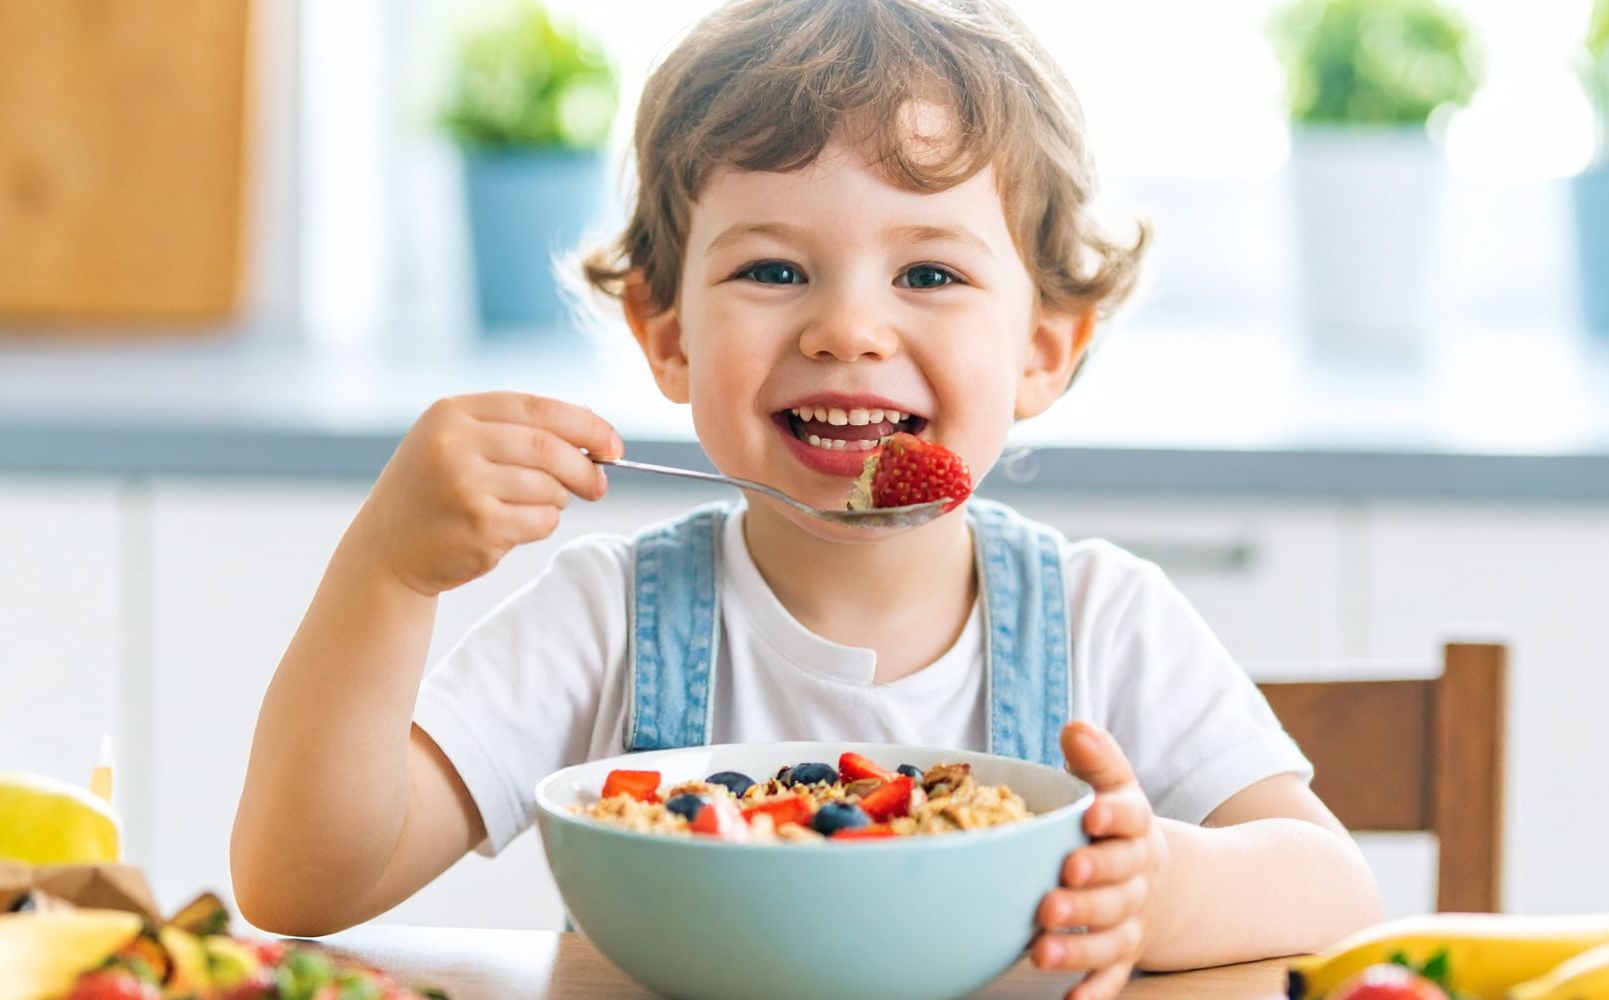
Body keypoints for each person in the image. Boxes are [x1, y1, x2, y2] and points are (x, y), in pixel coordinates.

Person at [232, 2, 1382, 996]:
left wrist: (1159, 887)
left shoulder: (1102, 621)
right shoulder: (603, 621)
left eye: (928, 272)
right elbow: (300, 883)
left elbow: (1335, 891)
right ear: (667, 334)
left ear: (1042, 348)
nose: (847, 328)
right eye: (773, 270)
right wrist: (389, 572)